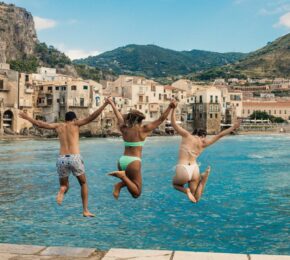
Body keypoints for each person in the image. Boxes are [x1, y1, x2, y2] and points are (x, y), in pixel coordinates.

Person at [19, 99, 109, 217]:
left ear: (65, 119)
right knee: (83, 183)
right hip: (74, 157)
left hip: (61, 159)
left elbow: (40, 124)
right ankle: (85, 210)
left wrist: (27, 118)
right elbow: (91, 117)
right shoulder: (76, 124)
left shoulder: (58, 125)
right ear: (74, 119)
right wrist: (104, 105)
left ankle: (62, 190)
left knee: (64, 186)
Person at [107, 97, 176, 199]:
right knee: (137, 193)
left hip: (122, 161)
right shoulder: (143, 130)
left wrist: (112, 104)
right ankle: (121, 178)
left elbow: (119, 117)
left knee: (132, 183)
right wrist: (170, 107)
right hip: (134, 162)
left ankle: (120, 184)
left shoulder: (124, 128)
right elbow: (161, 119)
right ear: (140, 121)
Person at [171, 106, 240, 203]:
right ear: (203, 136)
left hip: (183, 168)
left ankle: (185, 190)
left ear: (194, 133)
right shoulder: (204, 144)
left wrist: (173, 109)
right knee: (195, 199)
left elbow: (174, 124)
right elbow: (220, 135)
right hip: (195, 169)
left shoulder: (187, 136)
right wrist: (233, 127)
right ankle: (203, 179)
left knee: (175, 184)